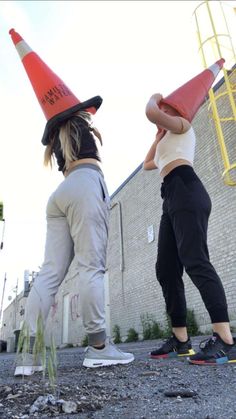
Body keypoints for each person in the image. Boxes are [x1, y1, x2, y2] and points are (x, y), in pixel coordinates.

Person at [15, 110, 134, 375]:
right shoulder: (79, 123)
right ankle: (99, 348)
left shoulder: (58, 136)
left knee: (49, 272)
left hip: (63, 191)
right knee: (91, 265)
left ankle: (28, 356)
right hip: (87, 183)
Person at [143, 92, 236, 365]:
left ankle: (226, 340)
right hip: (170, 195)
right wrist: (157, 137)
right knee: (166, 268)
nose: (163, 110)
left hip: (186, 188)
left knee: (195, 261)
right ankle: (181, 340)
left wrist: (154, 99)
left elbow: (151, 112)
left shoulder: (184, 124)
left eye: (166, 108)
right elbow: (148, 164)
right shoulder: (167, 137)